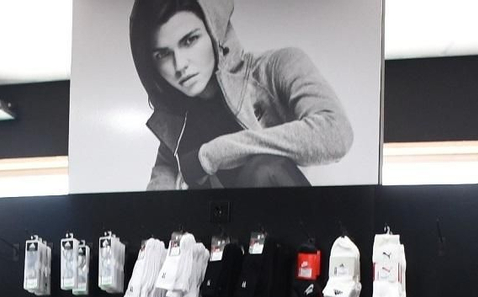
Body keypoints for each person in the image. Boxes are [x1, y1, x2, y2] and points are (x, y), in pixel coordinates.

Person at [129, 0, 353, 190]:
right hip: (226, 228)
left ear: (215, 31)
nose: (180, 65)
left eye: (190, 40)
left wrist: (212, 155)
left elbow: (336, 133)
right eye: (162, 54)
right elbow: (157, 201)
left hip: (295, 221)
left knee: (264, 168)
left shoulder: (277, 67)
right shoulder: (176, 126)